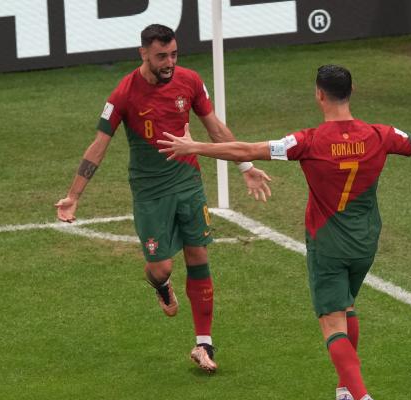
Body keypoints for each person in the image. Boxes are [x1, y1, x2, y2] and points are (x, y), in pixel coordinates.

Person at [157, 64, 411, 400]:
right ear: (352, 92)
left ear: (319, 94)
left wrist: (194, 147)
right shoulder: (380, 135)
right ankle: (343, 392)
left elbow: (246, 149)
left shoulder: (309, 141)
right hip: (365, 242)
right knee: (347, 306)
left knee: (332, 323)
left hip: (328, 245)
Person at [54, 24, 272, 374]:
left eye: (173, 54)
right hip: (150, 192)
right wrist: (73, 196)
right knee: (161, 267)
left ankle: (203, 344)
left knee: (198, 252)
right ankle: (161, 285)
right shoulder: (123, 94)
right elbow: (98, 146)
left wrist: (245, 165)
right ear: (143, 54)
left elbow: (214, 126)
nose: (169, 62)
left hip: (187, 181)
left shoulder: (190, 81)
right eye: (161, 56)